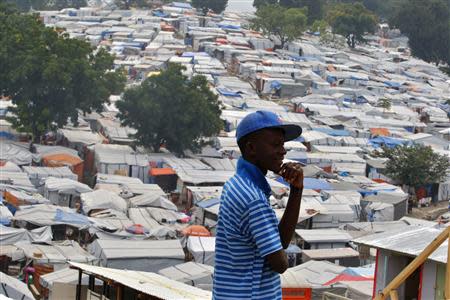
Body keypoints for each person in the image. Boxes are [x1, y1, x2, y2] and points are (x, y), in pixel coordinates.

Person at [212, 110, 304, 300]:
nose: (283, 151)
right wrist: (280, 254)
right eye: (275, 144)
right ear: (252, 148)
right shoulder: (254, 199)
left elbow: (280, 243)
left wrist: (296, 191)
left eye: (283, 144)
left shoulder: (236, 184)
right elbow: (280, 264)